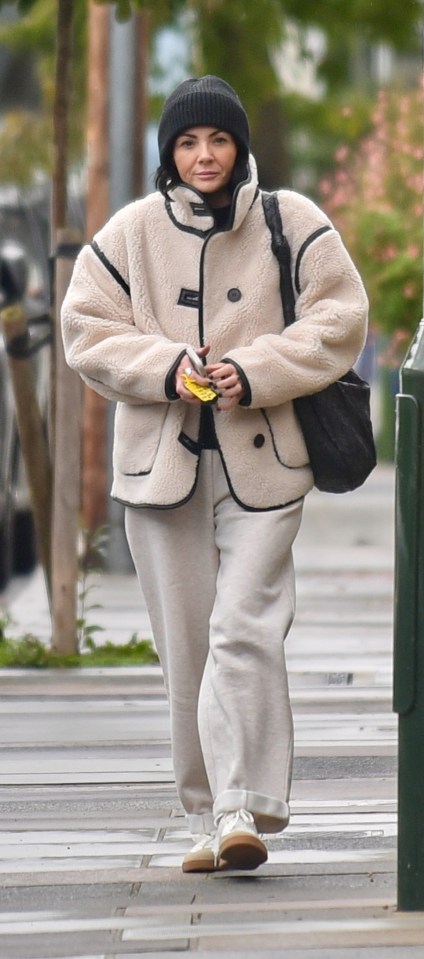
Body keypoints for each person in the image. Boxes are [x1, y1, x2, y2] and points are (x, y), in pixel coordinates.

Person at [61, 75, 368, 873]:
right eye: (188, 142)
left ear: (239, 147)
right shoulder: (130, 232)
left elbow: (342, 313)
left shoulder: (290, 219)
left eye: (219, 140)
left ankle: (246, 803)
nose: (204, 155)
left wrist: (255, 367)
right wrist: (168, 367)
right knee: (186, 651)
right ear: (169, 151)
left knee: (245, 627)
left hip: (266, 464)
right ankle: (210, 815)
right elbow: (84, 329)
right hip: (162, 473)